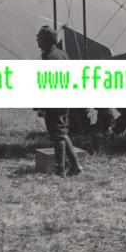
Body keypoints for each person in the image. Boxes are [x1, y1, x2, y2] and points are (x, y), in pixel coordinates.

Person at [34, 26, 82, 177]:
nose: (37, 40)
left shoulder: (50, 58)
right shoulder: (61, 54)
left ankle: (60, 169)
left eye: (40, 38)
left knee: (58, 135)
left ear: (47, 40)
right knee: (61, 133)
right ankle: (75, 166)